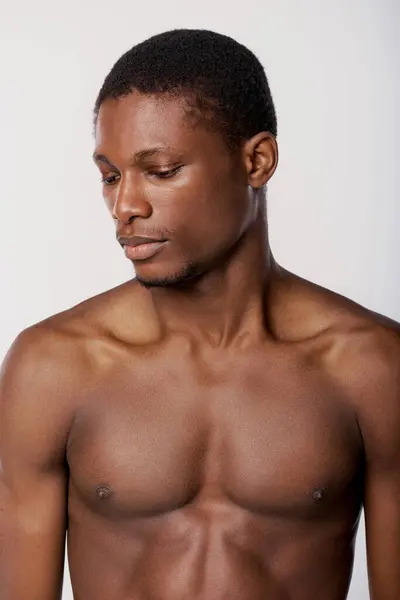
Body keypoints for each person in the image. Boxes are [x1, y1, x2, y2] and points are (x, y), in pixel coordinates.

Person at [0, 28, 399, 600]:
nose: (125, 206)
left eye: (160, 171)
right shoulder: (53, 368)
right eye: (110, 176)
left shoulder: (371, 367)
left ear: (257, 161)